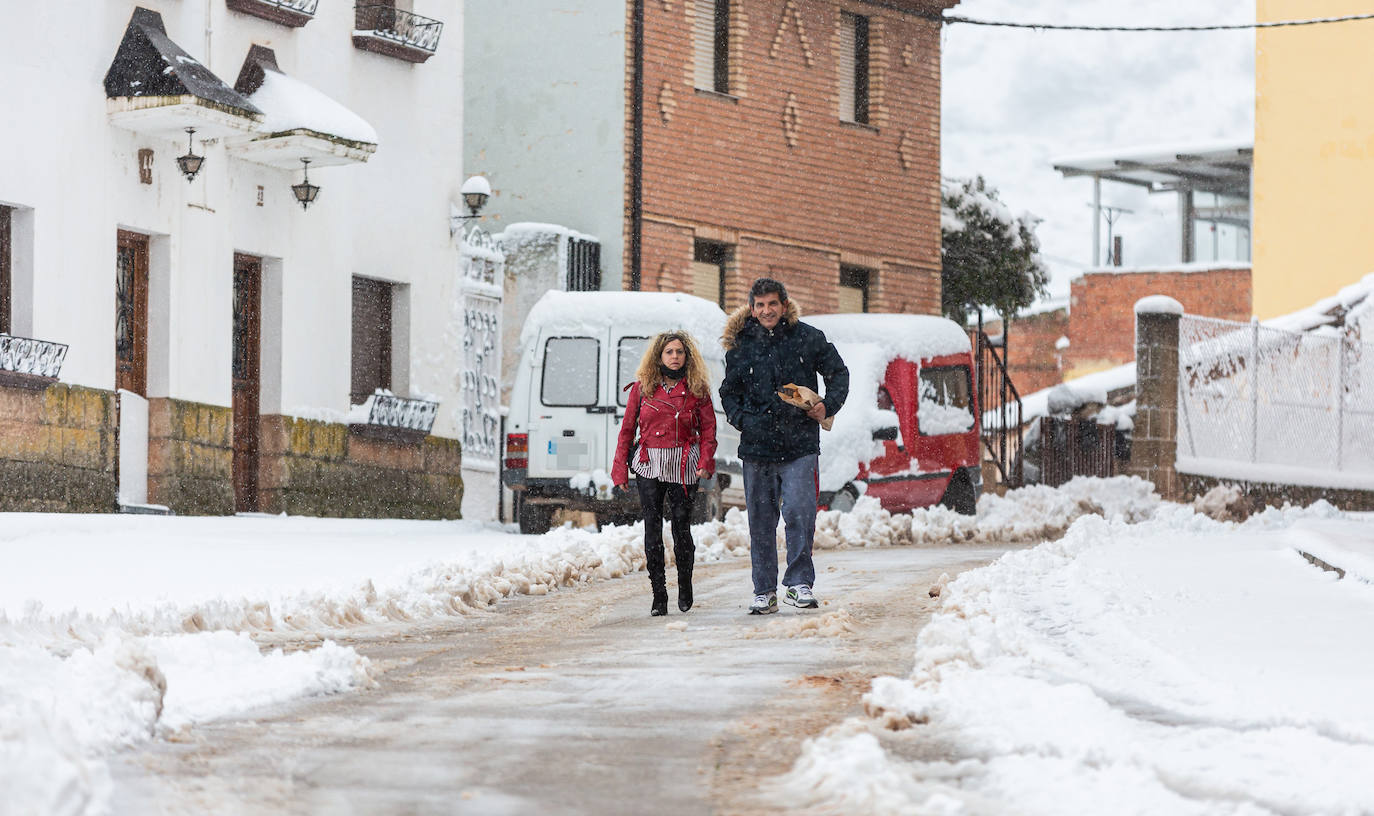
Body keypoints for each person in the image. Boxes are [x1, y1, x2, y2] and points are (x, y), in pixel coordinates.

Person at [719, 278, 848, 614]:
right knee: (761, 522)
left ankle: (799, 584)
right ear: (751, 308)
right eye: (759, 305)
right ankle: (764, 591)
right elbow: (728, 392)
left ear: (784, 305)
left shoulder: (808, 338)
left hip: (800, 445)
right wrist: (741, 419)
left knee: (800, 513)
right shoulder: (741, 345)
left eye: (772, 304)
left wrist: (828, 405)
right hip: (757, 449)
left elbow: (839, 374)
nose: (766, 311)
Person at [612, 331, 718, 616]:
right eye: (669, 352)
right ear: (659, 355)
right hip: (649, 462)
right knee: (652, 528)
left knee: (682, 528)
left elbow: (709, 431)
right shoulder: (642, 388)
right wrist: (620, 467)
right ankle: (659, 594)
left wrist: (706, 461)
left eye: (679, 352)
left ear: (687, 356)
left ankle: (685, 583)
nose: (674, 357)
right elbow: (627, 430)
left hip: (684, 464)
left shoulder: (698, 389)